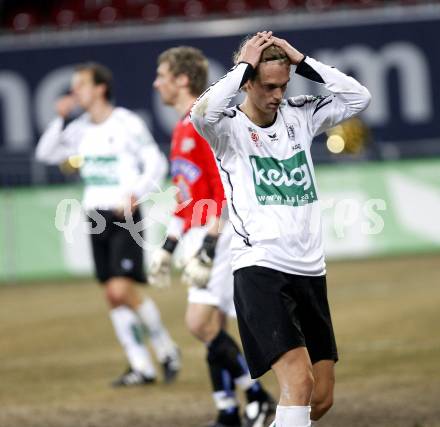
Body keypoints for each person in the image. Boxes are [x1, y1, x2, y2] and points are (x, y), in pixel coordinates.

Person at [190, 32, 371, 427]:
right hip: (260, 268)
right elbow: (201, 113)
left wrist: (301, 59)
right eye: (268, 86)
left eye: (284, 85)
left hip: (309, 270)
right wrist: (241, 67)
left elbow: (359, 98)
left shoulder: (301, 115)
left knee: (320, 399)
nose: (277, 94)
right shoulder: (227, 129)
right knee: (298, 382)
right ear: (248, 83)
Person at [151, 46, 275, 427]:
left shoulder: (202, 122)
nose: (156, 82)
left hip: (217, 233)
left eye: (162, 74)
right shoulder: (181, 126)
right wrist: (169, 247)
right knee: (213, 328)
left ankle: (258, 395)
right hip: (198, 233)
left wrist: (208, 242)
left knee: (199, 323)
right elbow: (187, 194)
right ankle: (227, 410)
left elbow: (223, 186)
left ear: (182, 79)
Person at [36, 62, 181, 387]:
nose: (75, 92)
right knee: (112, 294)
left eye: (81, 85)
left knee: (120, 288)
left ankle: (167, 349)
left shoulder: (127, 123)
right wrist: (59, 118)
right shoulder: (78, 128)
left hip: (123, 214)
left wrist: (138, 193)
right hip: (96, 214)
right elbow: (45, 154)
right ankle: (141, 366)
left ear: (101, 88)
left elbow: (156, 162)